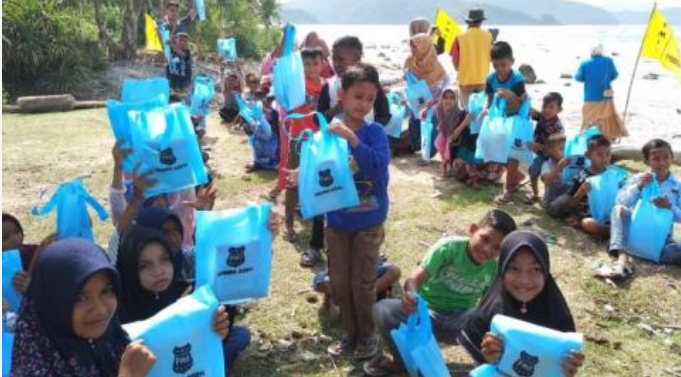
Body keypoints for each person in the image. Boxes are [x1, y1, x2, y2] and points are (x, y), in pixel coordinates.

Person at [294, 63, 390, 359]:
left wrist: (353, 140)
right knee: (339, 282)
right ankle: (349, 333)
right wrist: (298, 174)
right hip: (336, 221)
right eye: (357, 97)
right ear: (342, 95)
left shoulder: (374, 134)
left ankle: (367, 335)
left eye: (370, 99)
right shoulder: (326, 134)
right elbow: (319, 172)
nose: (363, 104)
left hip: (369, 221)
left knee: (362, 283)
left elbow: (377, 171)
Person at [364, 210, 517, 376]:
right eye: (485, 238)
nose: (488, 249)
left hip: (461, 322)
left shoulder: (496, 268)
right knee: (383, 309)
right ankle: (402, 363)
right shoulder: (448, 248)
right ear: (472, 230)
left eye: (497, 248)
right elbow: (414, 279)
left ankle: (485, 370)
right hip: (426, 316)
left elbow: (490, 304)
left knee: (493, 321)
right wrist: (410, 295)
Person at [11, 238, 156, 377]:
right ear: (51, 303)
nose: (100, 309)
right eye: (80, 298)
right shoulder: (32, 366)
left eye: (106, 291)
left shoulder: (114, 339)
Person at [116, 227, 250, 374]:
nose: (159, 271)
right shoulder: (118, 312)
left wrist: (216, 330)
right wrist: (175, 316)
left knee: (241, 335)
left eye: (164, 259)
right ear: (129, 269)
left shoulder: (188, 292)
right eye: (144, 265)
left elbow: (203, 343)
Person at [458, 231, 585, 376]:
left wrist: (567, 368)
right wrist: (489, 357)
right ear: (502, 269)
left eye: (535, 269)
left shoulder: (559, 318)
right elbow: (483, 364)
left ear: (545, 271)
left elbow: (563, 367)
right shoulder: (486, 314)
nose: (524, 280)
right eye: (514, 268)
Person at [281, 48, 327, 267]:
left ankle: (316, 219)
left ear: (322, 63)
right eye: (306, 64)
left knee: (317, 183)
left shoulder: (327, 86)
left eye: (314, 63)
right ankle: (289, 224)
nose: (311, 68)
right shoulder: (296, 83)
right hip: (297, 139)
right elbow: (279, 80)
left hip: (318, 141)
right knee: (292, 183)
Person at [608, 139, 681, 275]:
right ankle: (622, 256)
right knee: (618, 210)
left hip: (661, 237)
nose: (662, 162)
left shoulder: (677, 186)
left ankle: (635, 249)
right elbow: (620, 201)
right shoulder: (638, 179)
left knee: (677, 250)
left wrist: (669, 206)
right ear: (647, 162)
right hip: (634, 230)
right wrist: (639, 187)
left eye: (666, 157)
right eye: (656, 159)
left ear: (672, 158)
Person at [484, 41, 527, 205]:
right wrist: (487, 114)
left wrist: (510, 95)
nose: (500, 69)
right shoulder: (490, 79)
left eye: (503, 65)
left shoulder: (517, 80)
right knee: (500, 154)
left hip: (516, 121)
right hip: (499, 121)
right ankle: (516, 177)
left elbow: (522, 104)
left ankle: (507, 189)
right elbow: (489, 101)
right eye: (496, 65)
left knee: (513, 154)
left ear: (512, 62)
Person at [318, 36, 391, 127]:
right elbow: (317, 120)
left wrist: (370, 129)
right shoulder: (329, 86)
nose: (336, 64)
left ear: (357, 59)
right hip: (337, 139)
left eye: (341, 59)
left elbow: (384, 115)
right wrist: (335, 110)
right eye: (334, 59)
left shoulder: (370, 85)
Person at [555, 135, 613, 238]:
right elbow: (571, 203)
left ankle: (611, 230)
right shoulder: (583, 176)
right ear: (588, 155)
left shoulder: (611, 175)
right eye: (599, 155)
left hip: (608, 213)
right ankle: (611, 231)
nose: (605, 159)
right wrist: (581, 191)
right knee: (587, 224)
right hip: (589, 215)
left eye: (608, 154)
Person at [575, 44, 627, 142]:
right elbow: (615, 75)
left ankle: (588, 137)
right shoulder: (609, 61)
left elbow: (578, 78)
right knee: (607, 117)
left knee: (589, 118)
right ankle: (609, 137)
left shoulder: (585, 63)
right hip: (606, 96)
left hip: (590, 96)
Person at [526, 92, 565, 205]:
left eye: (551, 107)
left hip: (552, 156)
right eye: (544, 106)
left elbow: (555, 148)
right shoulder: (542, 117)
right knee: (533, 171)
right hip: (541, 153)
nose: (546, 110)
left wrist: (538, 146)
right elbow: (531, 112)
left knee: (547, 176)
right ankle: (535, 193)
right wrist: (525, 101)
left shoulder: (558, 127)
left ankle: (547, 197)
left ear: (559, 109)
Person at [450, 9, 493, 108]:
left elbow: (455, 60)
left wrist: (459, 69)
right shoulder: (488, 36)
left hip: (465, 81)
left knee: (465, 111)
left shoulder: (459, 37)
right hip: (483, 80)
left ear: (468, 21)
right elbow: (491, 58)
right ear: (481, 22)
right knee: (480, 111)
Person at [404, 33, 449, 101]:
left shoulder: (434, 64)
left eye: (415, 47)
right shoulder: (409, 61)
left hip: (433, 101)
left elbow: (446, 79)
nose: (412, 49)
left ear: (424, 47)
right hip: (416, 101)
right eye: (411, 47)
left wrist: (440, 93)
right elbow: (406, 80)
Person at [433, 88, 465, 177]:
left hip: (458, 140)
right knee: (439, 140)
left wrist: (450, 137)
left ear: (456, 99)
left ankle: (448, 164)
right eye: (445, 98)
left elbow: (456, 134)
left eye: (452, 98)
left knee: (448, 143)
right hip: (448, 136)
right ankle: (445, 163)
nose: (448, 101)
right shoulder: (439, 109)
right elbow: (423, 115)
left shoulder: (459, 113)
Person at [540, 134, 572, 216]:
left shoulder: (571, 165)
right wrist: (559, 167)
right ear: (550, 151)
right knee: (567, 198)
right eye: (562, 149)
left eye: (567, 149)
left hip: (567, 201)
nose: (565, 152)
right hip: (552, 204)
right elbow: (547, 182)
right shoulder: (547, 165)